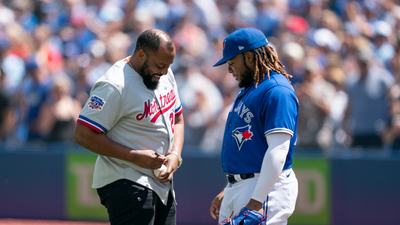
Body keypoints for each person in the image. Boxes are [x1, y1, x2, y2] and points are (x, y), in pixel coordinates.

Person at [73, 29, 184, 225]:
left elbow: (178, 118)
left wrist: (175, 153)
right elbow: (83, 134)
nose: (165, 71)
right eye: (160, 65)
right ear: (141, 55)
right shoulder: (114, 85)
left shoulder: (163, 72)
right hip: (126, 180)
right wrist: (133, 155)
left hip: (161, 183)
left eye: (169, 65)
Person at [209, 28, 299, 224]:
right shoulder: (253, 88)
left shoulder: (277, 91)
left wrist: (255, 203)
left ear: (249, 57)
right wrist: (230, 186)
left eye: (232, 63)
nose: (229, 69)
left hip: (263, 189)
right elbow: (251, 148)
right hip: (244, 186)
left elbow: (279, 149)